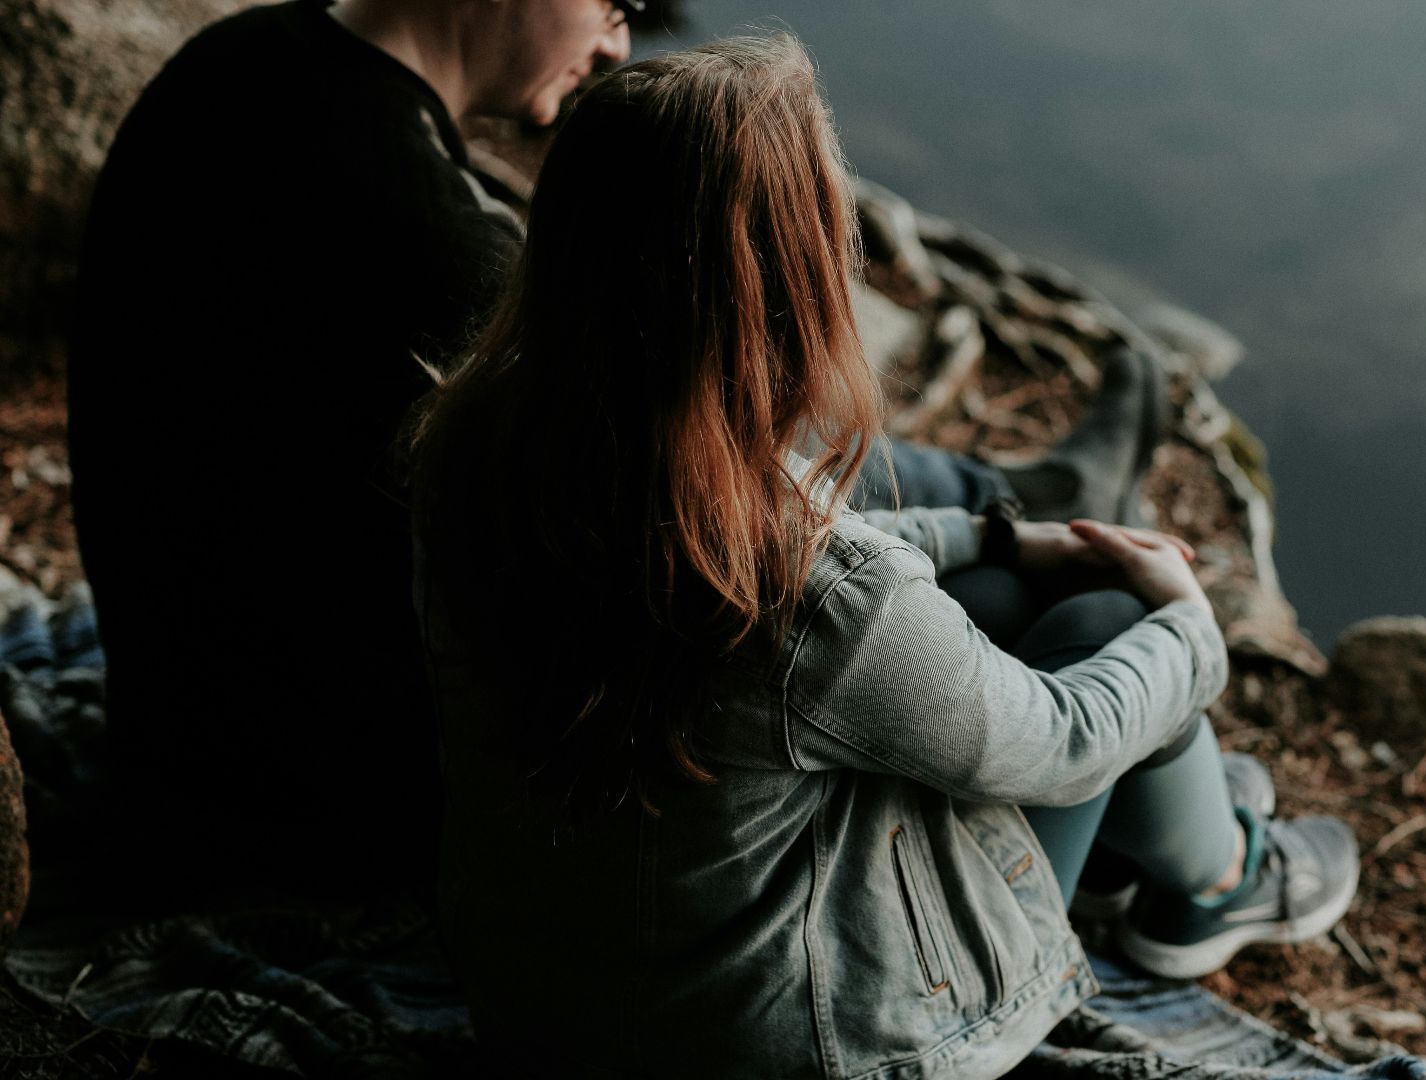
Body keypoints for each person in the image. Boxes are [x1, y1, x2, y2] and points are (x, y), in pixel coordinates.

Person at [409, 35, 1359, 1078]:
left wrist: (987, 536)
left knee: (1002, 586)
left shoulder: (479, 459)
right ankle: (1220, 878)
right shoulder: (810, 598)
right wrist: (1187, 620)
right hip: (805, 1049)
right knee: (1108, 622)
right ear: (786, 282)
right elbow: (1063, 739)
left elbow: (803, 584)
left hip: (560, 1006)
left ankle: (1191, 847)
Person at [66, 0, 1155, 900]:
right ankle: (1044, 550)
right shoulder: (444, 260)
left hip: (180, 722)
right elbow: (725, 503)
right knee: (974, 591)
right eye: (612, 3)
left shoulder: (246, 66)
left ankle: (1010, 498)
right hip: (348, 809)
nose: (620, 42)